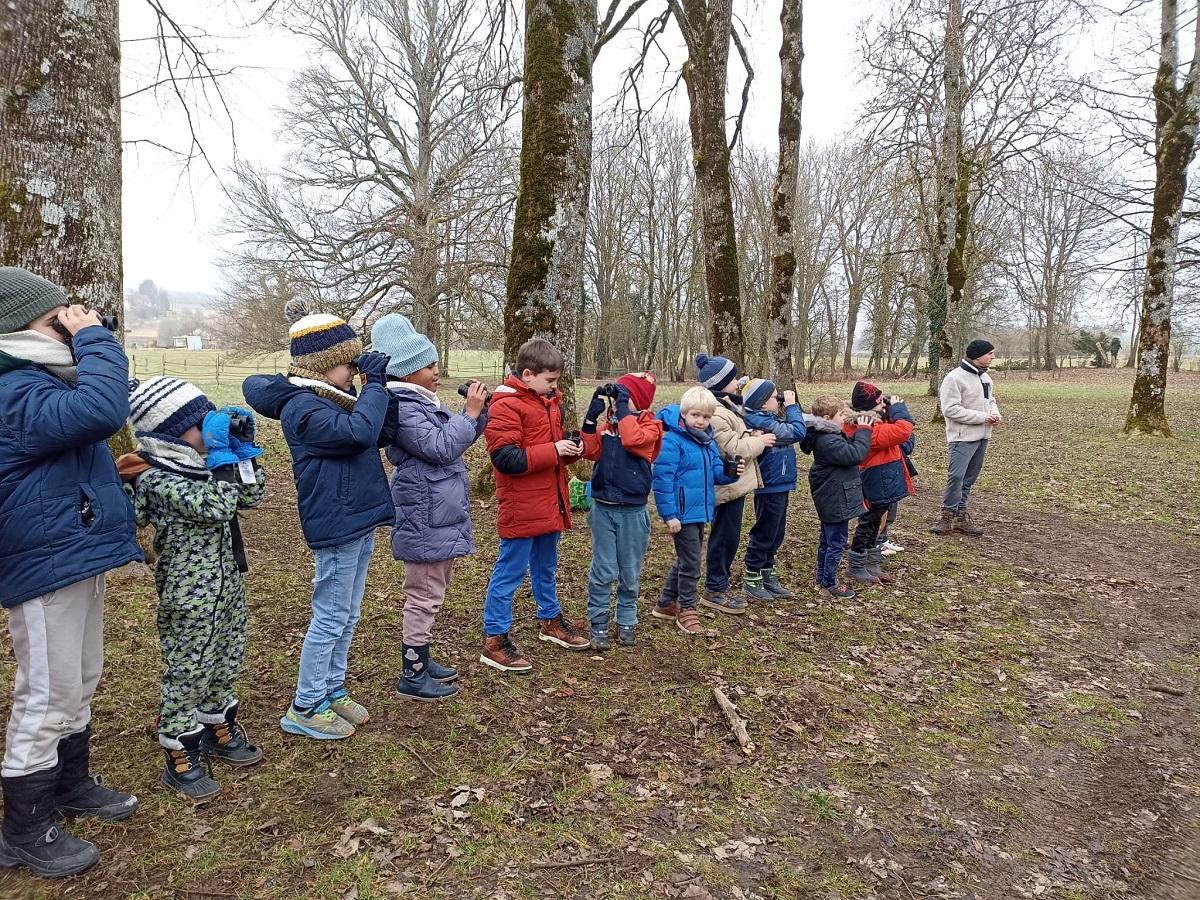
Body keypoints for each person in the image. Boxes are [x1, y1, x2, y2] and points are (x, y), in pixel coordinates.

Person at [0, 267, 142, 877]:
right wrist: (95, 338)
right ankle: (23, 829)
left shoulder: (41, 379)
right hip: (43, 560)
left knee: (81, 676)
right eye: (57, 317)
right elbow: (102, 409)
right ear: (19, 327)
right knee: (47, 691)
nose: (71, 322)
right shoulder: (12, 386)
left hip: (71, 548)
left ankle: (69, 783)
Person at [243, 304, 393, 740]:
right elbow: (358, 434)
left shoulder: (335, 398)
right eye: (349, 363)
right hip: (336, 521)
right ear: (324, 365)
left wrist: (383, 387)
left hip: (357, 518)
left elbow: (381, 431)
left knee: (347, 613)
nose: (354, 370)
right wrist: (374, 385)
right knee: (330, 616)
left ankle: (331, 689)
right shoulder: (303, 407)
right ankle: (306, 705)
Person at [120, 378, 267, 801]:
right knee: (189, 666)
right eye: (201, 422)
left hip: (226, 584)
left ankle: (216, 724)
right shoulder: (155, 477)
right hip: (189, 593)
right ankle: (179, 745)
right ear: (172, 433)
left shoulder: (201, 465)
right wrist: (220, 456)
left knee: (226, 655)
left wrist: (241, 451)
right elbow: (217, 506)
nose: (210, 427)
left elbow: (250, 496)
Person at [371, 314, 487, 701]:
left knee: (433, 591)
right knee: (423, 595)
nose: (437, 372)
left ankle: (420, 658)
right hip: (423, 518)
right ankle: (413, 674)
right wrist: (469, 414)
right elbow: (441, 446)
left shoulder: (420, 402)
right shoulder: (403, 407)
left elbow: (454, 436)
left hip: (436, 515)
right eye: (429, 365)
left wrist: (481, 413)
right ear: (406, 371)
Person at [480, 338, 589, 673]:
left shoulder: (548, 401)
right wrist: (554, 450)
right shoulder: (505, 405)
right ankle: (495, 639)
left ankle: (550, 620)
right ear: (527, 375)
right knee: (509, 572)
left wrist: (569, 449)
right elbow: (506, 458)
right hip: (522, 506)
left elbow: (547, 450)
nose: (554, 386)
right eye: (550, 380)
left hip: (548, 502)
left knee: (546, 566)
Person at [580, 372, 664, 649]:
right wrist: (591, 420)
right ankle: (599, 621)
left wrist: (625, 408)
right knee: (602, 568)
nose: (617, 402)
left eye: (624, 397)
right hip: (603, 508)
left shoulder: (651, 427)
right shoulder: (608, 428)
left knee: (629, 570)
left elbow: (632, 439)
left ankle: (627, 618)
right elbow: (589, 451)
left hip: (633, 512)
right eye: (616, 397)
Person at [651, 387, 744, 634]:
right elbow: (662, 481)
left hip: (700, 511)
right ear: (684, 414)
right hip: (682, 514)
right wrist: (670, 515)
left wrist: (730, 472)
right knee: (692, 563)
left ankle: (665, 603)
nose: (701, 421)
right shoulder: (672, 441)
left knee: (687, 558)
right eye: (695, 415)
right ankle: (687, 608)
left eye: (706, 416)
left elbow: (715, 473)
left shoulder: (706, 441)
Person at [694, 353, 775, 613]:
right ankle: (715, 589)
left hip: (733, 484)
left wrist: (750, 433)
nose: (737, 381)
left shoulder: (726, 406)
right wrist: (759, 442)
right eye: (733, 377)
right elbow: (732, 448)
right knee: (724, 538)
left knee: (729, 536)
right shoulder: (717, 412)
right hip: (726, 486)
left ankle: (720, 585)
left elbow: (736, 436)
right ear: (722, 382)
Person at [738, 379, 807, 601]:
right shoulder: (761, 422)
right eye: (774, 397)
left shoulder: (768, 419)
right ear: (761, 403)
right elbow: (797, 431)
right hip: (769, 485)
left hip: (780, 482)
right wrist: (792, 407)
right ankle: (752, 577)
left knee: (776, 532)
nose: (779, 399)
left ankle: (767, 574)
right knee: (765, 532)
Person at [799, 397, 873, 600]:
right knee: (836, 542)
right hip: (835, 497)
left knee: (828, 540)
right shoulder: (827, 440)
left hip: (833, 494)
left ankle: (822, 579)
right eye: (841, 414)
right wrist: (864, 430)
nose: (844, 418)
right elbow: (855, 454)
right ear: (826, 418)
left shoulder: (826, 434)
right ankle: (829, 583)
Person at [844, 382, 915, 585]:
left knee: (876, 522)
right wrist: (898, 408)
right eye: (879, 401)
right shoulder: (867, 429)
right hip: (876, 479)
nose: (884, 404)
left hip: (881, 479)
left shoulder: (873, 422)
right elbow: (904, 430)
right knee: (868, 523)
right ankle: (857, 564)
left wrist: (888, 410)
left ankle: (870, 561)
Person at [932, 339, 1002, 536]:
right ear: (977, 355)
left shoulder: (986, 378)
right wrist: (983, 417)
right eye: (989, 353)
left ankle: (960, 518)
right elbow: (950, 409)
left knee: (969, 479)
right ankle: (947, 517)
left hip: (983, 436)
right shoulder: (954, 378)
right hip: (962, 437)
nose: (993, 356)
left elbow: (990, 400)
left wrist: (995, 414)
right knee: (956, 477)